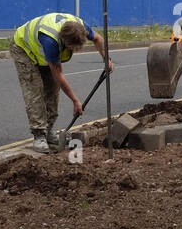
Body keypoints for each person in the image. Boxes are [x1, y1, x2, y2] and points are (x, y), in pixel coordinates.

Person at [11, 11, 114, 153]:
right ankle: (39, 135)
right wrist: (75, 101)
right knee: (35, 91)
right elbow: (58, 76)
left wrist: (106, 58)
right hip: (23, 49)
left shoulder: (81, 27)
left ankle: (49, 131)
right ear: (64, 41)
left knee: (52, 90)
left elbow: (98, 39)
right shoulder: (50, 41)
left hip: (41, 50)